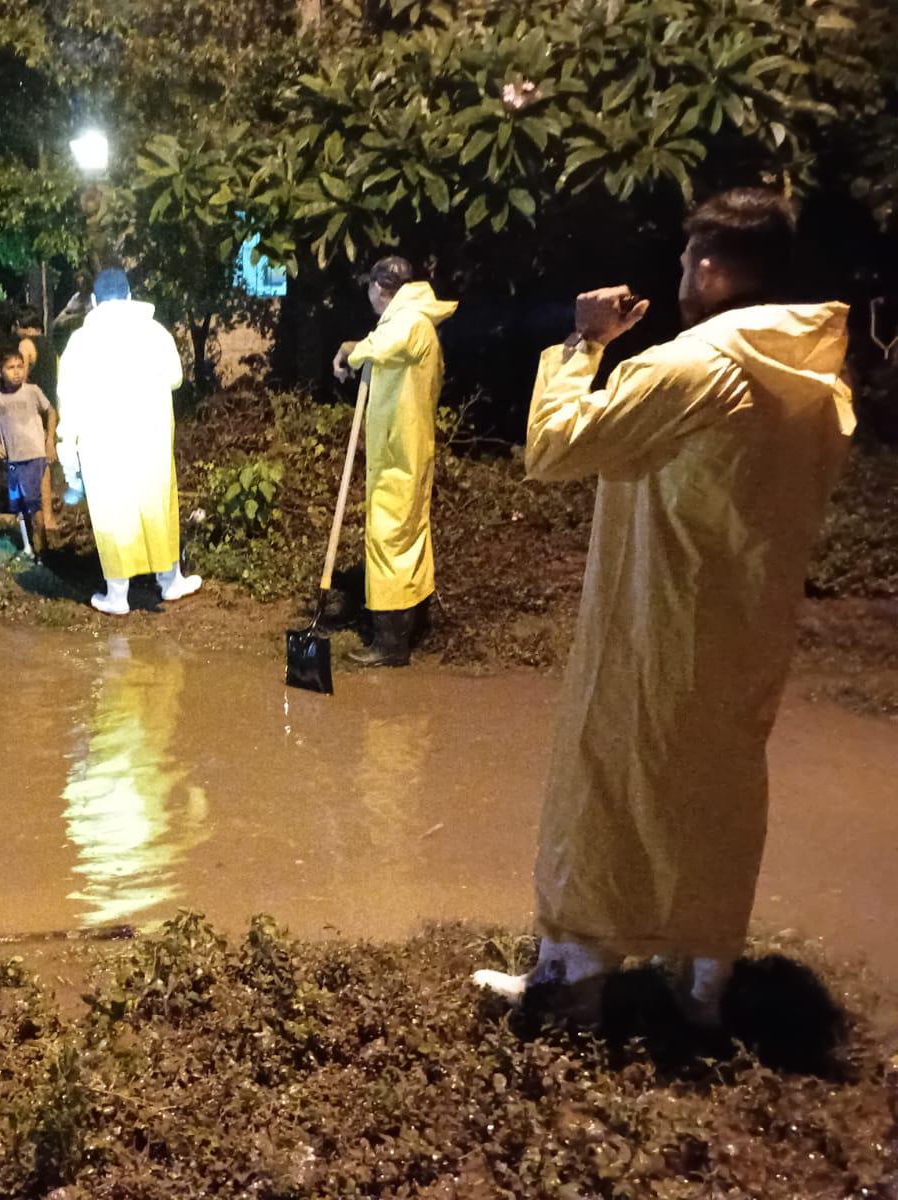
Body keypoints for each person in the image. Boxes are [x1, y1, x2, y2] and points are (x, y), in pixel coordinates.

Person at [472, 189, 855, 1026]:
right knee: (713, 794)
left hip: (656, 621)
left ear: (713, 266)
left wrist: (583, 342)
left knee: (609, 784)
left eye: (687, 260)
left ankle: (571, 981)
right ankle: (702, 984)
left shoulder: (696, 367)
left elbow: (555, 447)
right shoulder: (812, 375)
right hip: (744, 633)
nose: (681, 272)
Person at [331, 257, 457, 667]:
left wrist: (353, 352)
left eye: (369, 287)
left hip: (402, 453)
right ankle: (410, 626)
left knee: (390, 539)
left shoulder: (410, 322)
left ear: (380, 288)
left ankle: (391, 645)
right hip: (399, 449)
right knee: (403, 536)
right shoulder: (408, 318)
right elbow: (381, 346)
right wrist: (358, 350)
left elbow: (385, 344)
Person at [57, 268, 200, 615]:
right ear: (130, 295)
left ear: (93, 301)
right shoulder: (155, 333)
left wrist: (68, 457)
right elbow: (176, 378)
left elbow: (68, 400)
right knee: (157, 507)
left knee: (113, 514)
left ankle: (117, 595)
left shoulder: (80, 342)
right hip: (149, 437)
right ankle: (170, 581)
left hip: (102, 444)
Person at [0, 347, 57, 559]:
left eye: (20, 366)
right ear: (0, 371)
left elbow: (51, 411)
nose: (17, 372)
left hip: (34, 457)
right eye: (11, 368)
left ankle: (43, 552)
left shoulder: (32, 391)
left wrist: (50, 440)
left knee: (36, 506)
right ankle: (28, 546)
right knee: (19, 505)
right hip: (13, 460)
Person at [16, 308, 63, 532]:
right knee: (46, 463)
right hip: (51, 407)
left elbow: (20, 378)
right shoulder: (50, 345)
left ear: (22, 326)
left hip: (33, 410)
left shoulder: (25, 345)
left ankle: (43, 518)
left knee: (35, 466)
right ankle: (47, 515)